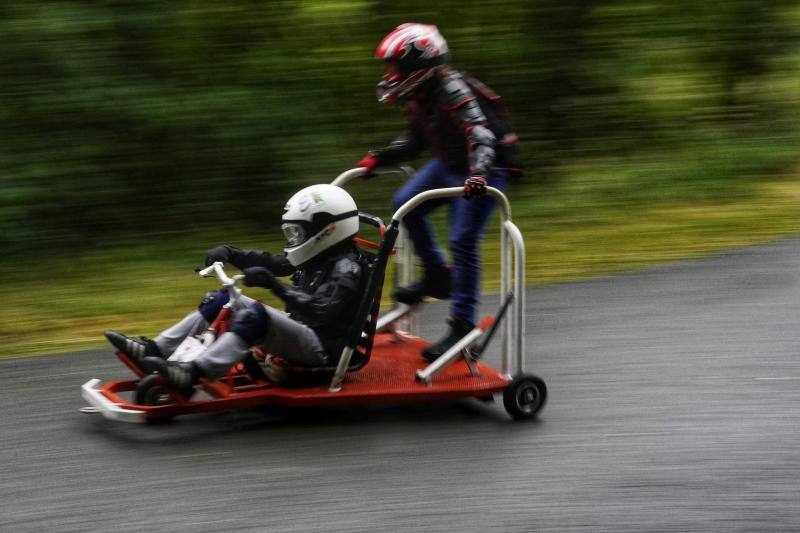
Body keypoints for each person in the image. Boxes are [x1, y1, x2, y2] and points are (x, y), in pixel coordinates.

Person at [355, 23, 521, 361]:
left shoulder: (452, 90)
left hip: (485, 168)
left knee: (462, 239)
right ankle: (437, 277)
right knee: (405, 204)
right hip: (450, 163)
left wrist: (478, 174)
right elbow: (416, 141)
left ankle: (461, 325)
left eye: (393, 67)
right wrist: (380, 157)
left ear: (417, 69)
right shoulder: (419, 97)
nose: (388, 74)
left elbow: (481, 134)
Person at [104, 184, 367, 395]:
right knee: (221, 299)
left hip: (324, 348)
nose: (293, 241)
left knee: (255, 316)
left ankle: (192, 373)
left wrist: (274, 285)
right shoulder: (318, 255)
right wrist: (231, 253)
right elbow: (274, 263)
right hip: (302, 330)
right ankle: (155, 350)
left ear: (327, 230)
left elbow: (321, 310)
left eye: (298, 234)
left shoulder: (347, 267)